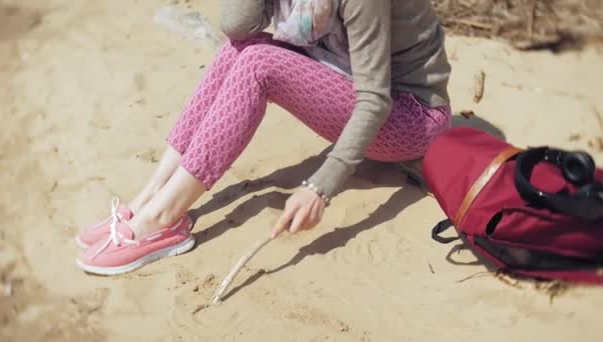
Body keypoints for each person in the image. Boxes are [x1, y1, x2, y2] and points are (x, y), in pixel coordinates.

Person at [75, 0, 452, 275]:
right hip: (348, 83)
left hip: (410, 118)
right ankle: (151, 198)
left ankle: (164, 218)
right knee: (240, 50)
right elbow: (237, 26)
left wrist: (320, 186)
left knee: (259, 64)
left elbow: (374, 101)